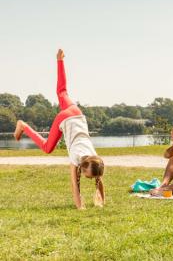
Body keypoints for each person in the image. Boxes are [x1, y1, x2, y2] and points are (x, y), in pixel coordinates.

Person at [14, 49, 105, 209]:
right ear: (83, 167)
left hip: (77, 113)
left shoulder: (95, 160)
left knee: (62, 91)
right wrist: (80, 207)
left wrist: (102, 203)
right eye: (87, 176)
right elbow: (74, 184)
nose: (89, 179)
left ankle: (60, 60)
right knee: (47, 147)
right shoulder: (77, 158)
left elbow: (99, 180)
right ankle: (24, 126)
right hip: (66, 118)